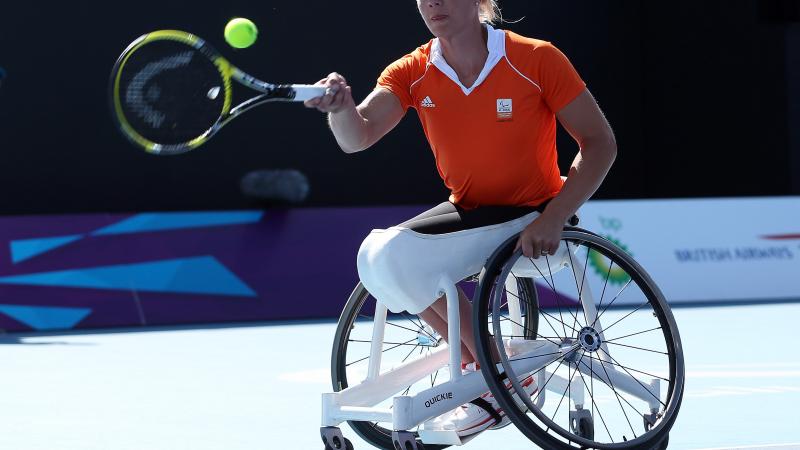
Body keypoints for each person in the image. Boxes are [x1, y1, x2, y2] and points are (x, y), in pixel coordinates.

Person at [306, 0, 617, 437]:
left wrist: (555, 216)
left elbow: (601, 142)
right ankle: (496, 369)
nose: (432, 3)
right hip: (471, 213)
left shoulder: (535, 57)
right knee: (376, 254)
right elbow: (357, 136)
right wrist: (340, 109)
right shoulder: (411, 70)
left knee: (392, 257)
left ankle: (492, 373)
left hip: (533, 214)